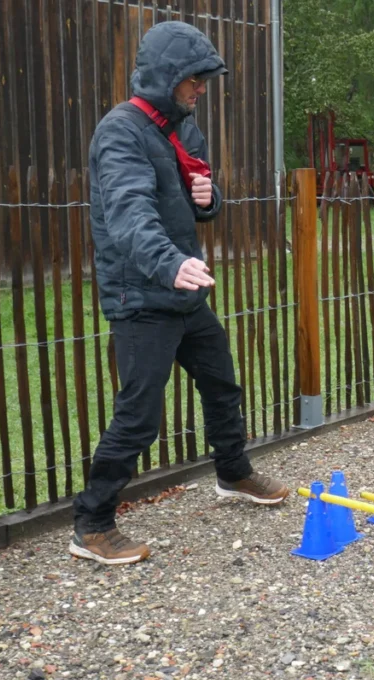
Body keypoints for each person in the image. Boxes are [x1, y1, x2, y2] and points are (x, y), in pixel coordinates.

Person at [70, 21, 289, 566]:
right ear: (167, 77)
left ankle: (233, 474)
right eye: (195, 80)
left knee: (222, 384)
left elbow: (192, 202)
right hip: (141, 297)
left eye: (204, 80)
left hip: (184, 289)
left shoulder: (184, 130)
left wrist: (209, 199)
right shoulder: (120, 132)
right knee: (139, 415)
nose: (201, 90)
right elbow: (128, 213)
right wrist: (170, 264)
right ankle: (91, 524)